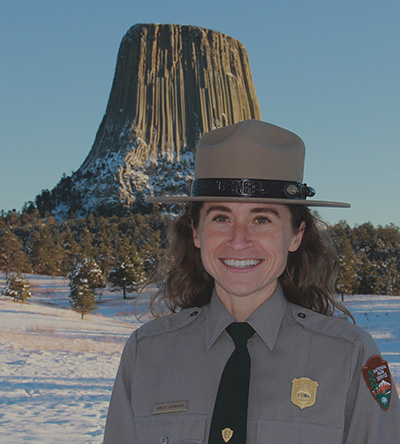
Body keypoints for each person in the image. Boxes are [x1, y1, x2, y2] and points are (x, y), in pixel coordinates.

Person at [104, 120, 400, 443]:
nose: (239, 240)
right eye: (221, 218)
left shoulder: (351, 358)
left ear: (296, 235)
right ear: (195, 231)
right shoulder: (145, 356)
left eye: (261, 219)